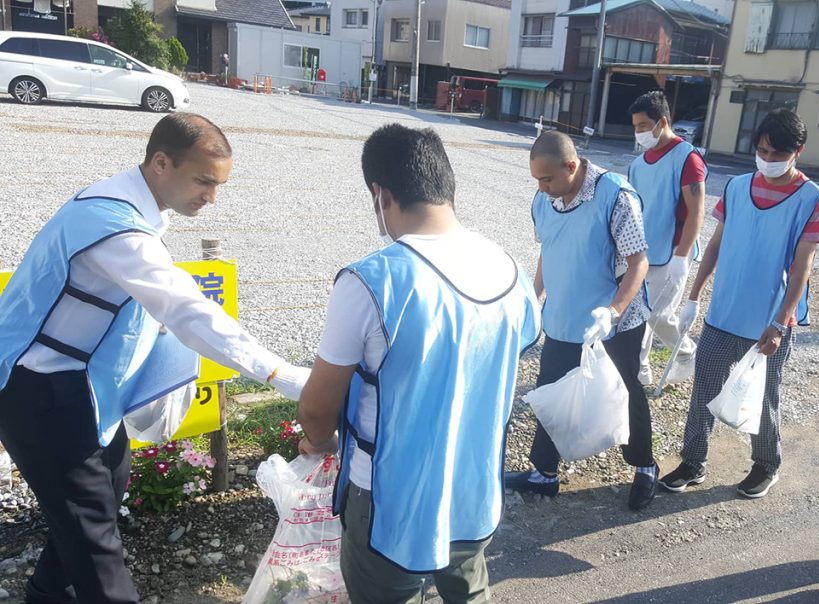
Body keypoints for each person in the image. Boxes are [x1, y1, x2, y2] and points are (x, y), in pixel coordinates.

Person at [0, 113, 308, 604]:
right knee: (94, 532)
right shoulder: (114, 226)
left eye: (219, 184)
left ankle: (45, 594)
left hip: (82, 389)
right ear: (161, 162)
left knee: (105, 491)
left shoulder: (130, 204)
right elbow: (185, 308)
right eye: (204, 181)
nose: (212, 197)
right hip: (39, 389)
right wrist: (282, 374)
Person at [296, 123, 541, 603]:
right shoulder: (509, 270)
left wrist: (319, 441)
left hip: (388, 497)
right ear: (446, 185)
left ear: (379, 192)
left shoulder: (371, 280)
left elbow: (316, 409)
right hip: (472, 484)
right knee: (468, 589)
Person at [660, 108, 819, 499]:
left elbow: (802, 268)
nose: (767, 160)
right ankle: (693, 461)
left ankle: (766, 464)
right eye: (762, 151)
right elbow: (716, 244)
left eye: (776, 153)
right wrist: (694, 294)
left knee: (765, 395)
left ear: (797, 152)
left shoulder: (811, 200)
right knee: (704, 388)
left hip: (767, 323)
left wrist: (780, 322)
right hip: (724, 312)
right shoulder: (737, 187)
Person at [504, 130, 659, 510]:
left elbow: (639, 261)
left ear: (571, 166)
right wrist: (533, 298)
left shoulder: (615, 196)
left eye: (547, 179)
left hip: (612, 320)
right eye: (536, 180)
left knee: (625, 391)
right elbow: (549, 251)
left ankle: (644, 467)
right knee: (550, 392)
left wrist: (614, 312)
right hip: (563, 317)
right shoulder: (544, 201)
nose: (541, 188)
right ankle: (544, 473)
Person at [627, 90, 706, 385]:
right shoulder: (638, 164)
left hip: (671, 252)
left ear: (662, 121)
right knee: (638, 315)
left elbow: (697, 211)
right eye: (636, 127)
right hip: (641, 253)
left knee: (658, 315)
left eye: (644, 126)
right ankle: (640, 371)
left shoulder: (687, 158)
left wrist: (681, 257)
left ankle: (686, 352)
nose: (639, 132)